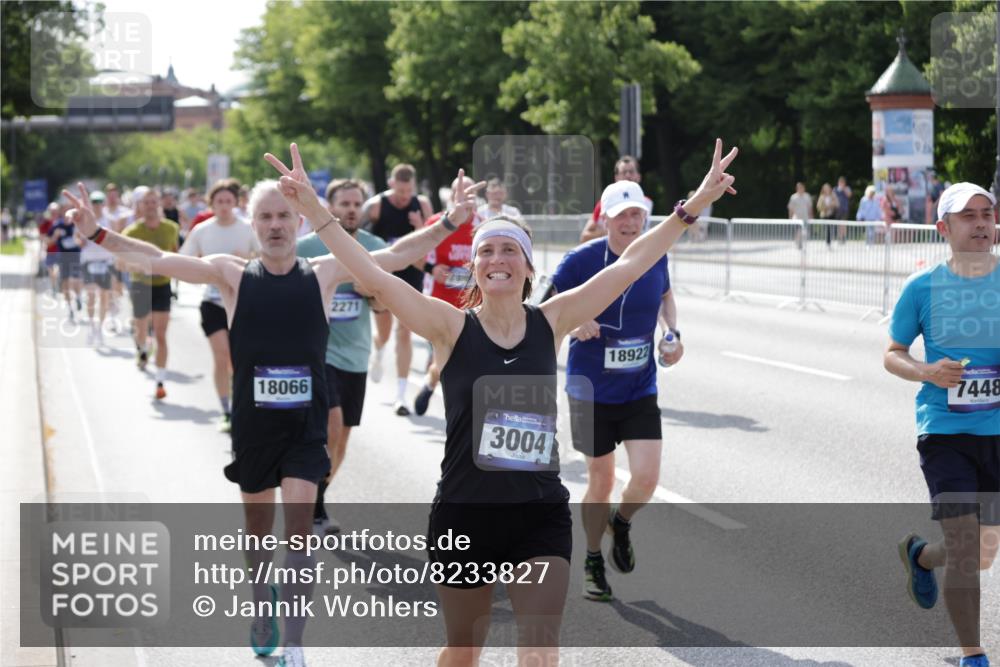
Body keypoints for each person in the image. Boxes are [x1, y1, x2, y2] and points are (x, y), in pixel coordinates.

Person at [267, 139, 738, 667]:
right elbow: (374, 275)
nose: (497, 259)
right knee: (465, 651)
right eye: (486, 250)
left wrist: (691, 206)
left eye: (509, 249)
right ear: (475, 268)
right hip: (465, 514)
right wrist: (315, 212)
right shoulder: (448, 327)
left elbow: (630, 264)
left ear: (528, 267)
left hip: (538, 515)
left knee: (539, 652)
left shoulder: (552, 319)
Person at [64, 168, 397, 667]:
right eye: (265, 216)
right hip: (254, 428)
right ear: (252, 225)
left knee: (300, 532)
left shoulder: (326, 271)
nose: (276, 224)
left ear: (300, 223)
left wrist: (450, 221)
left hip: (305, 429)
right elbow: (159, 260)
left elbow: (393, 259)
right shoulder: (231, 273)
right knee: (258, 533)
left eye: (285, 215)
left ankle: (295, 645)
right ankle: (263, 599)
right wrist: (97, 234)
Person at [298, 175, 484, 534]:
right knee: (331, 427)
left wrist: (372, 300)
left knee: (342, 438)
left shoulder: (371, 245)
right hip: (318, 356)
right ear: (331, 207)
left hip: (354, 353)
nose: (350, 209)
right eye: (344, 203)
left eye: (356, 204)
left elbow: (388, 288)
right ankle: (312, 508)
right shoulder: (306, 248)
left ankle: (317, 499)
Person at [548, 179, 684, 602]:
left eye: (636, 214)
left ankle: (620, 523)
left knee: (645, 479)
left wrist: (672, 333)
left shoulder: (655, 254)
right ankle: (591, 557)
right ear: (604, 219)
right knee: (601, 480)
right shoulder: (581, 261)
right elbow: (543, 312)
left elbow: (665, 296)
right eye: (621, 214)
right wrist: (573, 320)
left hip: (639, 385)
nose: (630, 222)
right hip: (589, 389)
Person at [884, 182, 998, 667]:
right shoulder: (923, 287)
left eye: (987, 214)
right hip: (945, 432)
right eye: (968, 216)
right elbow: (892, 355)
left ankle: (921, 557)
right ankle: (973, 655)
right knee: (966, 544)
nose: (980, 224)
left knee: (983, 551)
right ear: (943, 228)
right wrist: (927, 371)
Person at [180, 178, 258, 432]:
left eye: (229, 201)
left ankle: (242, 406)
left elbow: (266, 259)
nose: (224, 206)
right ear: (211, 203)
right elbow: (184, 260)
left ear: (236, 202)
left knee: (240, 360)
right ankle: (226, 411)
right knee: (222, 355)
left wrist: (246, 259)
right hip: (212, 303)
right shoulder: (202, 230)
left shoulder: (249, 228)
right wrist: (206, 269)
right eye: (219, 201)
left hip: (243, 302)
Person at [413, 174, 485, 416]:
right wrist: (432, 269)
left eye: (471, 193)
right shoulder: (437, 222)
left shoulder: (484, 226)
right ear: (453, 196)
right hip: (440, 303)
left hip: (474, 306)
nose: (467, 198)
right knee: (446, 358)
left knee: (468, 361)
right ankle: (433, 383)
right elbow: (412, 255)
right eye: (461, 193)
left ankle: (436, 389)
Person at [365, 163, 434, 415]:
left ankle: (401, 396)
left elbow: (431, 239)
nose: (405, 196)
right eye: (401, 190)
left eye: (409, 191)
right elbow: (358, 238)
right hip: (382, 273)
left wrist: (419, 226)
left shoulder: (422, 205)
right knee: (384, 333)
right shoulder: (376, 206)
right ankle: (378, 348)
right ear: (392, 184)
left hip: (411, 273)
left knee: (404, 331)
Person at [122, 187, 180, 399]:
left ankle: (160, 381)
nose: (150, 205)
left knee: (161, 334)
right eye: (145, 202)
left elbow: (176, 254)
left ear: (159, 204)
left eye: (153, 201)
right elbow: (121, 262)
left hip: (163, 285)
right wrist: (136, 266)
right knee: (141, 330)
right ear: (139, 206)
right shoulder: (131, 232)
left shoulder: (171, 228)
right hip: (140, 285)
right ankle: (141, 348)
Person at [581, 155, 653, 243]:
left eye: (631, 171)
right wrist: (612, 231)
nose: (628, 175)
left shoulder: (648, 203)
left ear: (639, 176)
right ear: (616, 177)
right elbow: (584, 236)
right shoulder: (604, 204)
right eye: (624, 172)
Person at [79, 191, 115, 346]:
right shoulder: (85, 219)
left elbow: (115, 238)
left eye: (100, 202)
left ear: (103, 203)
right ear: (91, 204)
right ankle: (92, 327)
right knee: (91, 296)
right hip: (89, 261)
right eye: (94, 202)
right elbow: (77, 236)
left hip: (105, 262)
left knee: (104, 298)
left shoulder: (109, 220)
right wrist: (80, 240)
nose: (97, 205)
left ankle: (99, 329)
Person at [787, 181, 813, 249]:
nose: (801, 189)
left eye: (802, 187)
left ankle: (801, 242)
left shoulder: (807, 196)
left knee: (804, 231)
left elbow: (810, 207)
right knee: (798, 231)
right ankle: (798, 243)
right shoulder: (793, 197)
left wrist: (811, 216)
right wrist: (790, 217)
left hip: (805, 217)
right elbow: (791, 208)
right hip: (797, 218)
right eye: (799, 188)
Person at [816, 182, 839, 248]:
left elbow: (837, 204)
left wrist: (831, 205)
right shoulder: (822, 196)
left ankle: (830, 241)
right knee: (827, 229)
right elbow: (818, 206)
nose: (827, 190)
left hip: (832, 214)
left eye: (828, 188)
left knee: (832, 229)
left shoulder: (833, 195)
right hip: (824, 215)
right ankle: (828, 242)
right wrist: (825, 207)